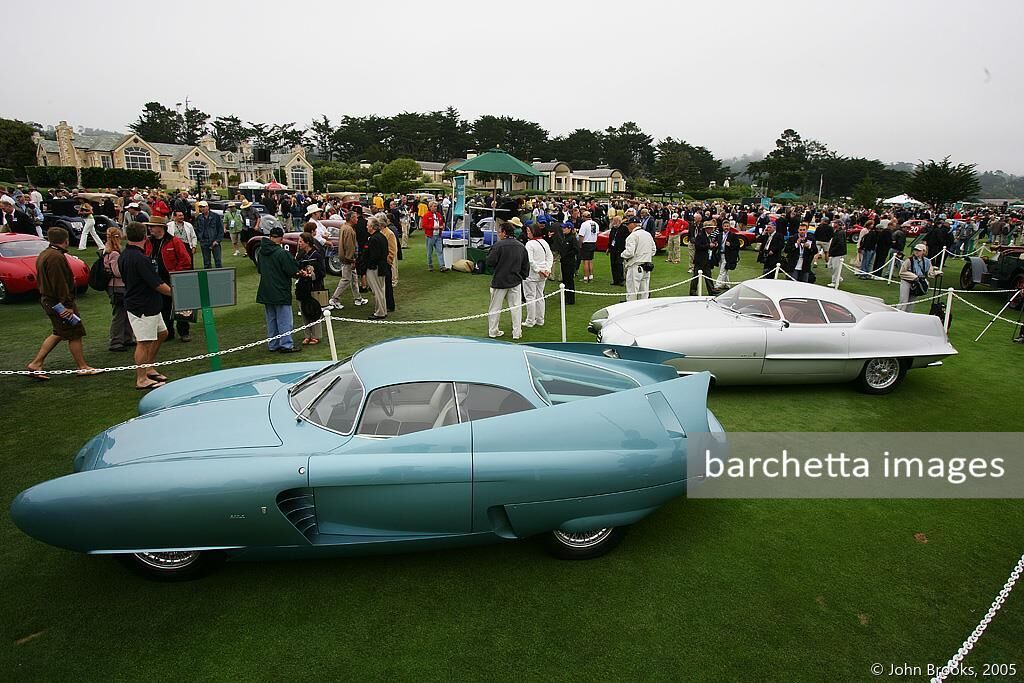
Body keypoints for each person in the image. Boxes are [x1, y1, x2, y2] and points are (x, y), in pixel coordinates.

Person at [25, 227, 97, 379]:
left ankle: (36, 363)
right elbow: (60, 283)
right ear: (66, 240)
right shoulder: (56, 257)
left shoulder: (45, 254)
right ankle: (82, 366)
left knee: (59, 332)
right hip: (58, 302)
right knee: (74, 333)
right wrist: (68, 305)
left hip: (50, 300)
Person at [118, 222, 173, 389]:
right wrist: (176, 294)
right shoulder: (139, 259)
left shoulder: (126, 255)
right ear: (144, 236)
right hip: (142, 306)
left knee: (162, 333)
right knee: (144, 341)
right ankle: (141, 379)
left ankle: (148, 366)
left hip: (148, 304)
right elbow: (157, 284)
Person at [144, 217, 193, 342]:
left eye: (152, 226)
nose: (150, 229)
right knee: (163, 308)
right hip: (158, 281)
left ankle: (184, 332)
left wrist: (175, 274)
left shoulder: (174, 241)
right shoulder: (149, 242)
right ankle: (168, 332)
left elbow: (185, 260)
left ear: (161, 228)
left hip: (175, 279)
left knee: (181, 307)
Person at [256, 226, 301, 352]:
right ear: (281, 238)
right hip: (280, 290)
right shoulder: (281, 253)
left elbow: (260, 269)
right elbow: (292, 271)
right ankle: (286, 344)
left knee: (271, 319)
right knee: (284, 319)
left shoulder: (261, 252)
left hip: (266, 290)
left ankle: (273, 343)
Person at [485, 222, 529, 339]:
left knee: (495, 308)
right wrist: (522, 276)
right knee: (516, 308)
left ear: (504, 232)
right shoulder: (521, 246)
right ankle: (517, 333)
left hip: (500, 281)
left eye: (499, 232)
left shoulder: (498, 246)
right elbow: (526, 266)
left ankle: (493, 331)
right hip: (515, 281)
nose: (498, 234)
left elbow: (489, 262)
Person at [102, 227, 134, 351]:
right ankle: (116, 341)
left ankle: (126, 338)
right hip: (117, 286)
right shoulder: (114, 253)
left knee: (124, 313)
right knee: (119, 314)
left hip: (115, 286)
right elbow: (117, 272)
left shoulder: (107, 251)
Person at [329, 211, 367, 309]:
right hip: (348, 259)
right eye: (355, 217)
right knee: (346, 279)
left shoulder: (344, 227)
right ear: (351, 218)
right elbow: (350, 246)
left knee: (354, 279)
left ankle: (358, 298)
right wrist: (352, 260)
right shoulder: (349, 230)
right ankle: (334, 299)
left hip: (346, 258)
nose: (357, 219)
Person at [295, 233, 326, 345]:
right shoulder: (300, 255)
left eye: (301, 241)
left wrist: (310, 276)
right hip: (302, 287)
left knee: (314, 311)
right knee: (304, 311)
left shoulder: (317, 255)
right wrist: (299, 273)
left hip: (314, 288)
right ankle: (307, 335)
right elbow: (296, 268)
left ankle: (316, 335)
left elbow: (322, 273)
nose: (299, 243)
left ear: (307, 242)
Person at [523, 222, 553, 327]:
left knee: (530, 297)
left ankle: (530, 320)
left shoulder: (530, 244)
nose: (527, 234)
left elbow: (530, 260)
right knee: (540, 296)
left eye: (528, 231)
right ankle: (540, 319)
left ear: (533, 232)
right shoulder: (544, 242)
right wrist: (547, 269)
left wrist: (539, 270)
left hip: (533, 274)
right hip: (542, 273)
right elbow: (550, 257)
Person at [621, 216, 657, 301]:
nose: (627, 227)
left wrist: (622, 254)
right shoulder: (647, 234)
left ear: (633, 224)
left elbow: (630, 252)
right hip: (646, 267)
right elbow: (653, 250)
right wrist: (645, 256)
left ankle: (631, 311)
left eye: (628, 224)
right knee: (644, 292)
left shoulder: (632, 236)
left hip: (635, 266)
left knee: (632, 292)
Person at [363, 215, 390, 320]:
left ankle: (380, 312)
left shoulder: (374, 239)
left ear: (372, 227)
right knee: (380, 289)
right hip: (381, 267)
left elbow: (374, 256)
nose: (366, 227)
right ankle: (382, 309)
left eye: (368, 225)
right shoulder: (381, 236)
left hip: (375, 268)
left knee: (377, 290)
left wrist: (368, 265)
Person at [897, 243, 935, 312]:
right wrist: (913, 276)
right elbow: (902, 272)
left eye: (919, 250)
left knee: (912, 301)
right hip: (907, 281)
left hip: (917, 283)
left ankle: (908, 316)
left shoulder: (927, 261)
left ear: (924, 251)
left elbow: (930, 273)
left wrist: (937, 273)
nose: (916, 252)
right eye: (915, 250)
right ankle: (898, 315)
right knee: (903, 300)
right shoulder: (909, 260)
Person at [690, 221, 718, 295]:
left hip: (707, 259)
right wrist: (709, 245)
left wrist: (714, 246)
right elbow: (698, 246)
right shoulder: (700, 236)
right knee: (696, 276)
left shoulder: (709, 236)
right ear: (706, 229)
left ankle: (711, 290)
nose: (712, 230)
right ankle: (693, 291)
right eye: (710, 228)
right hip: (700, 260)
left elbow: (710, 247)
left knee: (708, 275)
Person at [193, 201, 224, 269]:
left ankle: (220, 277)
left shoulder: (216, 216)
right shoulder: (199, 218)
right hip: (204, 242)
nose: (202, 209)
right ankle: (208, 277)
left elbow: (220, 230)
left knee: (218, 261)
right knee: (206, 263)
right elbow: (196, 229)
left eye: (204, 207)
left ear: (208, 207)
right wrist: (200, 238)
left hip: (215, 242)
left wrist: (217, 241)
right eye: (201, 207)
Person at [378, 213, 398, 312]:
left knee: (387, 285)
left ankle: (390, 305)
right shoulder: (381, 232)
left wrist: (388, 261)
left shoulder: (389, 233)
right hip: (381, 263)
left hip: (386, 263)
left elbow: (392, 250)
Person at [422, 201, 446, 271]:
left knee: (440, 251)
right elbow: (424, 225)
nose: (436, 208)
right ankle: (430, 265)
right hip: (430, 236)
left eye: (436, 206)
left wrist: (442, 226)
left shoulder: (439, 215)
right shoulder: (426, 215)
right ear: (430, 207)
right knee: (429, 252)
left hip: (438, 235)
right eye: (434, 206)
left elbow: (441, 223)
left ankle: (442, 266)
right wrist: (432, 227)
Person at [559, 221, 580, 305]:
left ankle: (570, 299)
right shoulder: (565, 238)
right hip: (564, 262)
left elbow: (576, 250)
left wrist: (567, 255)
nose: (563, 229)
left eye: (565, 228)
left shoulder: (572, 238)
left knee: (569, 280)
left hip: (570, 262)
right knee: (565, 280)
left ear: (569, 229)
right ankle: (565, 297)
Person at [577, 211, 599, 282]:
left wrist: (580, 244)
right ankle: (591, 276)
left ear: (584, 217)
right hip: (593, 243)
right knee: (590, 260)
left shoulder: (584, 224)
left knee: (585, 261)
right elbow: (597, 234)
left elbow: (581, 235)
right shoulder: (596, 224)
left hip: (586, 243)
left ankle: (586, 277)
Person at [607, 215, 629, 286]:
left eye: (615, 221)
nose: (613, 222)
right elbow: (610, 239)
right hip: (613, 249)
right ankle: (615, 280)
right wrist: (609, 248)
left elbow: (627, 239)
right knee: (613, 264)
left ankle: (621, 279)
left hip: (620, 249)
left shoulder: (624, 229)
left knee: (619, 264)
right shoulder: (613, 229)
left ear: (619, 221)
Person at [826, 220, 847, 287]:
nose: (833, 224)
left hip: (838, 253)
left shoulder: (840, 232)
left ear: (838, 224)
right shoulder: (837, 231)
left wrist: (833, 250)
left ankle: (834, 282)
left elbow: (840, 243)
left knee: (835, 267)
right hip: (834, 252)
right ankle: (838, 277)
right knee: (830, 266)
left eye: (835, 223)